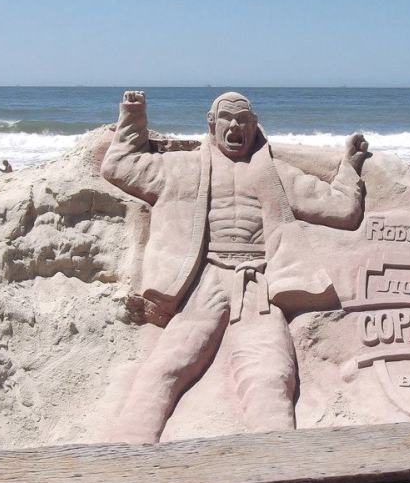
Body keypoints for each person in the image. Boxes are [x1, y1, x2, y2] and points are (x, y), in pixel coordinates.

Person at [99, 91, 368, 443]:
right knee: (167, 366)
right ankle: (126, 454)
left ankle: (279, 465)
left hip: (257, 284)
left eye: (243, 118)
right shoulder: (182, 168)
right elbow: (119, 166)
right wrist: (133, 116)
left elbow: (342, 210)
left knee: (270, 374)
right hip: (204, 282)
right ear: (211, 124)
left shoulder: (277, 175)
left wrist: (350, 168)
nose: (235, 125)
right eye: (227, 117)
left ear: (254, 125)